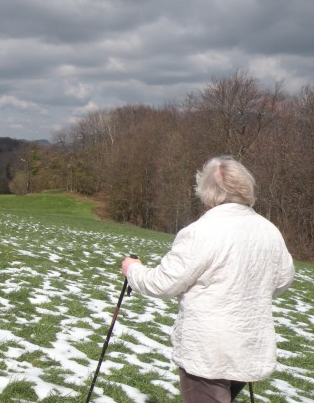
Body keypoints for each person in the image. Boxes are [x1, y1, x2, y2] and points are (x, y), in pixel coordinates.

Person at [122, 156, 294, 403]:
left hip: (208, 351)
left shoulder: (202, 231)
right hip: (247, 345)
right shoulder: (268, 230)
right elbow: (283, 280)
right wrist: (249, 289)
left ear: (207, 192)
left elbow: (163, 283)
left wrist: (132, 270)